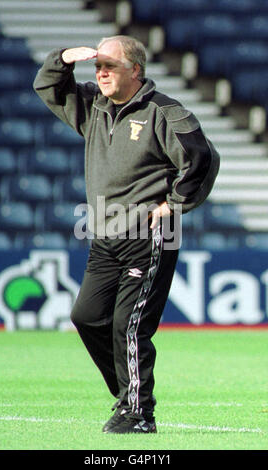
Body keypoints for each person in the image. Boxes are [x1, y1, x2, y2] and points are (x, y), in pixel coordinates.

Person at [34, 35, 219, 434]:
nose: (100, 73)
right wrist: (64, 57)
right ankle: (129, 394)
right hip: (104, 236)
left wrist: (175, 202)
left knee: (129, 325)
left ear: (135, 70)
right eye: (96, 66)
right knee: (86, 317)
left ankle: (138, 414)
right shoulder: (93, 108)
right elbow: (48, 86)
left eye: (109, 66)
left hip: (150, 234)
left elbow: (202, 158)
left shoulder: (164, 113)